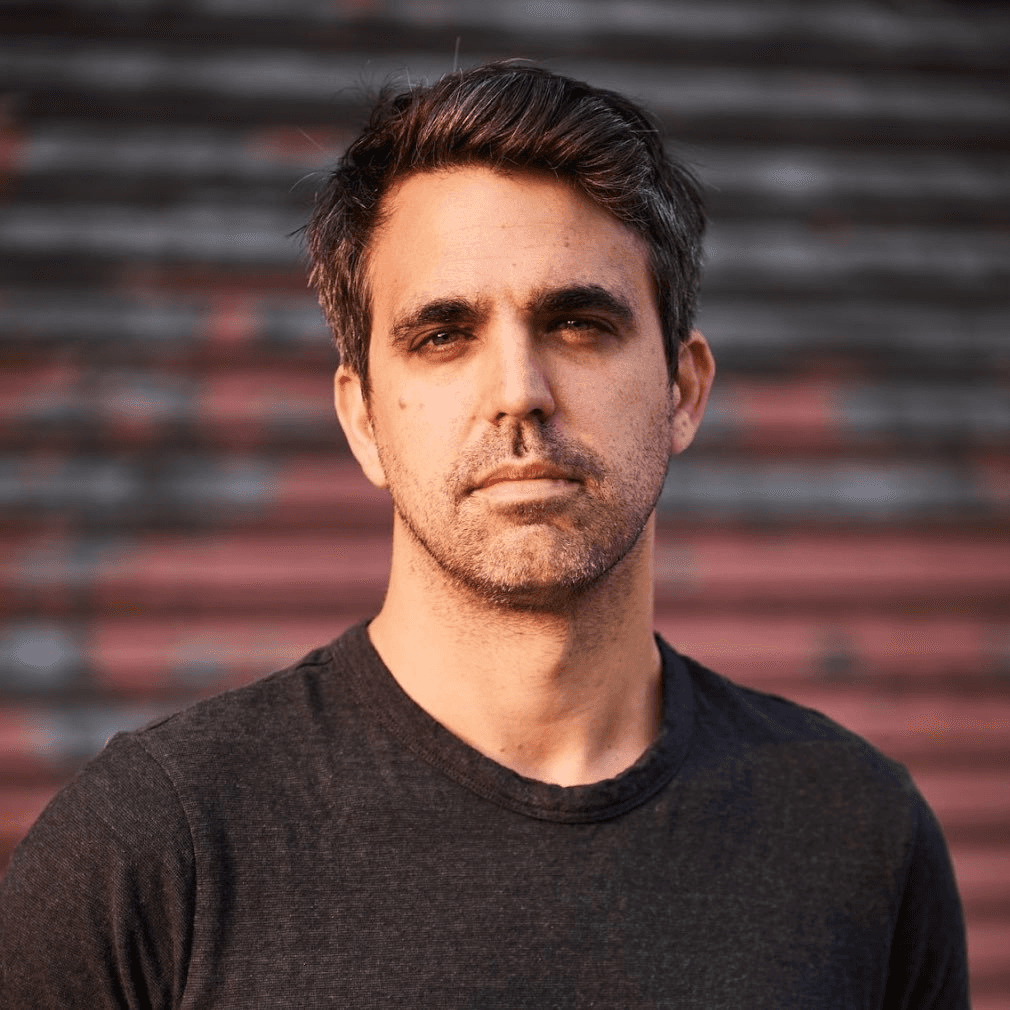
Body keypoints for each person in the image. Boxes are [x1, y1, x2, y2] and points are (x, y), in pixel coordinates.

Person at [0, 63, 968, 1008]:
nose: (518, 392)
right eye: (442, 334)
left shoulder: (859, 834)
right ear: (362, 417)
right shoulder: (156, 847)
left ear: (682, 389)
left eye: (577, 322)